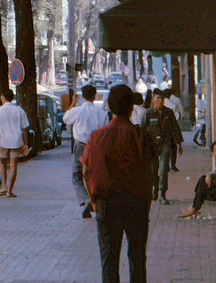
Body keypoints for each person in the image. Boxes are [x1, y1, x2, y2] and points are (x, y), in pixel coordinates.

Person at [81, 84, 153, 283]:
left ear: (110, 107)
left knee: (109, 261)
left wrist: (93, 201)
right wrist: (147, 201)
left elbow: (85, 171)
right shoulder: (142, 135)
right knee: (138, 259)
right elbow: (151, 173)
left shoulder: (96, 136)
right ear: (131, 108)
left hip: (106, 203)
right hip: (136, 203)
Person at [64, 84, 109, 218]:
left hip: (81, 146)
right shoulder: (101, 113)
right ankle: (95, 200)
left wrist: (73, 103)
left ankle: (86, 198)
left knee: (77, 174)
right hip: (96, 147)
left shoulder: (77, 111)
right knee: (94, 175)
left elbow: (66, 119)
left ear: (82, 96)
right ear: (95, 96)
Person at [139, 89, 182, 204]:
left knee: (163, 169)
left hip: (165, 143)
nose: (160, 101)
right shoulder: (148, 113)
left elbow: (175, 128)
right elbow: (142, 130)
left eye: (162, 99)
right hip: (152, 144)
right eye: (157, 98)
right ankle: (155, 189)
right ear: (153, 99)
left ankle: (162, 194)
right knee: (153, 170)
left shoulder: (169, 112)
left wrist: (179, 143)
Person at [0, 89, 29, 197]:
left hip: (2, 141)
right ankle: (10, 191)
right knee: (13, 166)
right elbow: (25, 129)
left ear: (3, 98)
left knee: (2, 163)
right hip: (16, 141)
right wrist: (26, 143)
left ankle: (4, 187)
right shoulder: (19, 110)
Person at [178, 141, 216, 218]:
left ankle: (194, 207)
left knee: (202, 181)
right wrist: (209, 175)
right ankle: (194, 206)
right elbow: (215, 172)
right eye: (214, 151)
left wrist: (210, 177)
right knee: (202, 180)